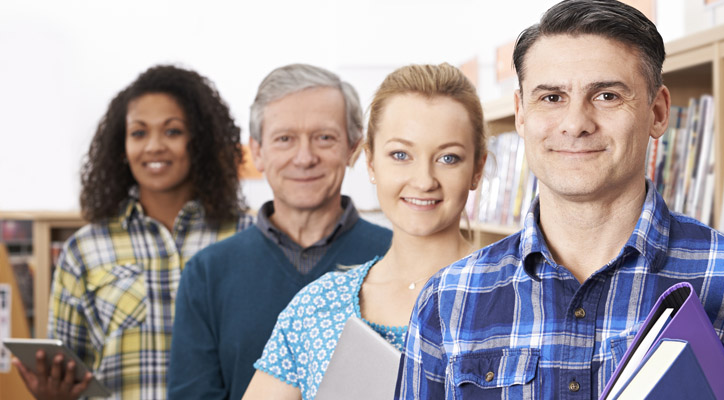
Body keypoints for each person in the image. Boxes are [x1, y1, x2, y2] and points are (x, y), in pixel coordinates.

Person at [397, 1, 724, 399]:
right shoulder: (448, 299)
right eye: (551, 98)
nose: (575, 124)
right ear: (521, 114)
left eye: (606, 95)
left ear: (658, 112)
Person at [241, 63, 488, 400]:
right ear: (371, 164)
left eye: (448, 158)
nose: (423, 180)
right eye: (400, 155)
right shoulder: (316, 308)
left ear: (478, 169)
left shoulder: (518, 296)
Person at [12, 65, 254, 400]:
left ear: (200, 141)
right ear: (121, 146)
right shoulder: (85, 250)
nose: (154, 146)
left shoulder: (247, 237)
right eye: (138, 133)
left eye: (172, 132)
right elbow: (69, 369)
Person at [167, 64, 393, 400]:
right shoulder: (207, 273)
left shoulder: (396, 256)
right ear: (257, 151)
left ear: (353, 147)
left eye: (324, 138)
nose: (304, 158)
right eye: (284, 139)